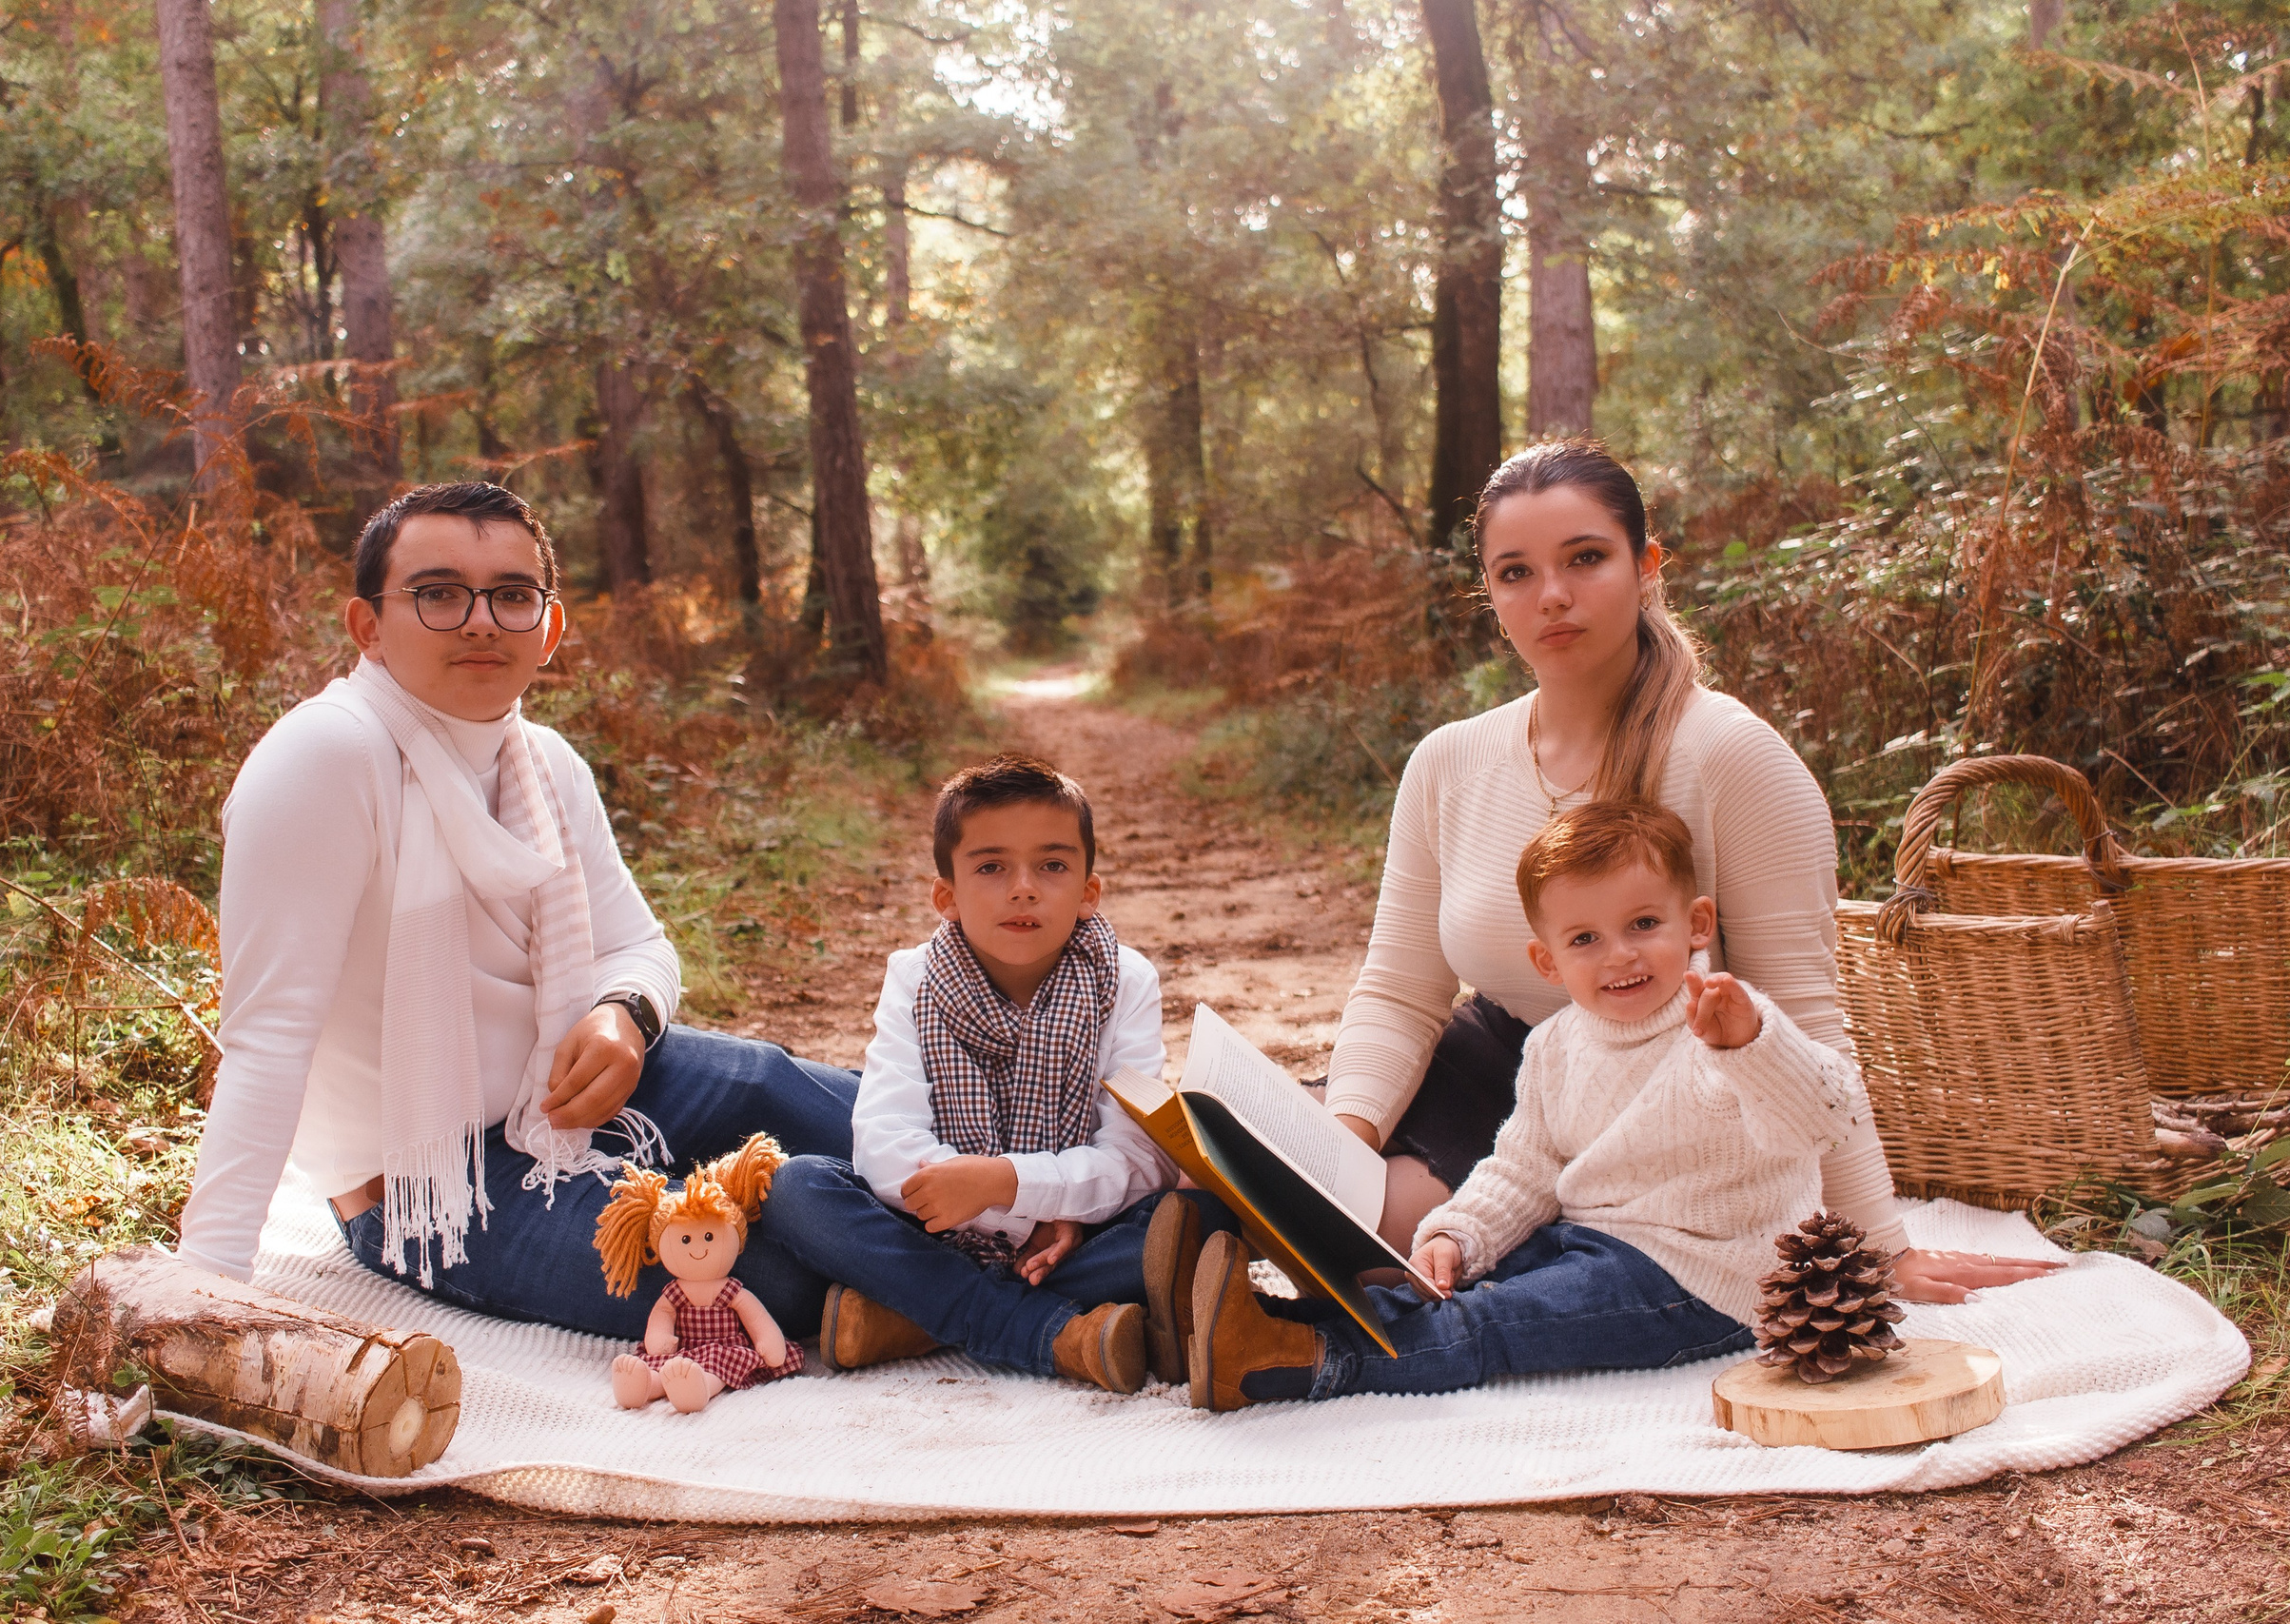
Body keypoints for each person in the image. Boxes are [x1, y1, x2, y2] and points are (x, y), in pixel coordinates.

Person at [1321, 439, 2059, 1306]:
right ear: (1490, 593)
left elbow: (1809, 1013)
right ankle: (1155, 1299)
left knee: (1421, 1264)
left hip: (1676, 1102)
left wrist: (1877, 1243)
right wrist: (1336, 1138)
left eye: (1586, 558)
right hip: (1513, 1071)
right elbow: (1399, 991)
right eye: (1516, 573)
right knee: (1299, 1207)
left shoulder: (1732, 756)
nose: (1551, 595)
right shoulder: (1448, 761)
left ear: (1647, 566)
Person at [175, 481, 858, 1339]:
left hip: (571, 1095)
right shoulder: (326, 756)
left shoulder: (545, 761)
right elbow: (267, 1037)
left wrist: (624, 1013)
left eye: (510, 595)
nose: (480, 621)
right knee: (757, 1276)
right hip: (431, 1181)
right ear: (367, 626)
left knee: (815, 1101)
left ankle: (1049, 1197)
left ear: (550, 626)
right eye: (438, 594)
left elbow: (637, 942)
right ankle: (969, 1272)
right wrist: (201, 1297)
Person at [1187, 801, 1869, 1409]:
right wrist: (1459, 1233)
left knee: (1497, 1320)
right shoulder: (1555, 1045)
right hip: (1595, 1240)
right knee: (1450, 1285)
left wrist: (1750, 1045)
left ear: (1695, 923)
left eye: (1643, 923)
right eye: (1585, 939)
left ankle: (1300, 1363)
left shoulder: (1725, 1023)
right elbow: (1523, 1167)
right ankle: (1257, 1328)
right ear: (1548, 962)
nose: (1619, 955)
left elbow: (1825, 1118)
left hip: (1705, 1276)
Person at [756, 754, 1221, 1393]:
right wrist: (1019, 1211)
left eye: (1053, 865)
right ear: (946, 895)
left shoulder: (1125, 981)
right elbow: (886, 1147)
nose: (1024, 887)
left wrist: (1011, 1182)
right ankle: (1051, 1333)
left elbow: (1137, 1163)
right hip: (942, 1227)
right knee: (795, 1186)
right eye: (992, 866)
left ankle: (909, 1315)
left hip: (1074, 1235)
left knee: (1205, 1209)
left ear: (1089, 891)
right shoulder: (915, 977)